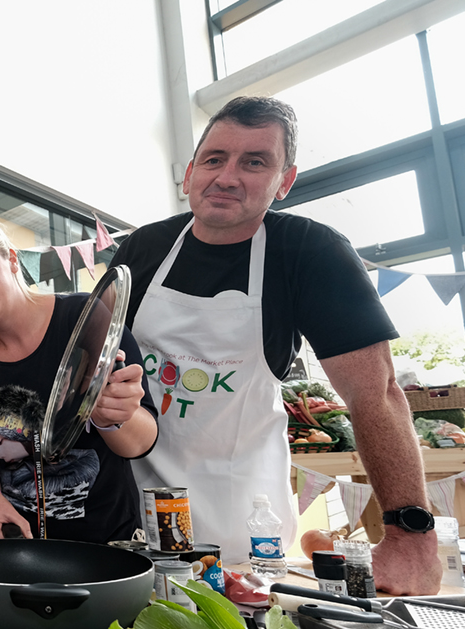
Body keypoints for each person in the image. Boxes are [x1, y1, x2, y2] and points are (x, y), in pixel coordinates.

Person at [114, 95, 439, 595]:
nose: (227, 176)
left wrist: (409, 535)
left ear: (284, 182)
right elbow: (100, 371)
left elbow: (376, 395)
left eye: (255, 162)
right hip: (131, 518)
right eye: (215, 159)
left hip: (242, 524)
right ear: (189, 173)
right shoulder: (143, 248)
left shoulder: (309, 252)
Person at [0, 215, 158, 542]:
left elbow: (141, 443)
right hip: (6, 548)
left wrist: (113, 414)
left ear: (11, 259)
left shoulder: (88, 318)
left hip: (104, 546)